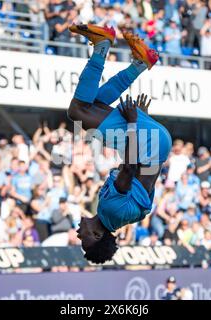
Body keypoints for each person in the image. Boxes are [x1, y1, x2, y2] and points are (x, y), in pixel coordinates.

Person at [67, 24, 172, 263]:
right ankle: (102, 45)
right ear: (96, 234)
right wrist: (135, 124)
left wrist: (143, 122)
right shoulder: (111, 212)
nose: (77, 234)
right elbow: (131, 168)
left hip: (152, 143)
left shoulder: (113, 216)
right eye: (83, 240)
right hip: (145, 144)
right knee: (77, 111)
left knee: (93, 103)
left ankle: (140, 63)